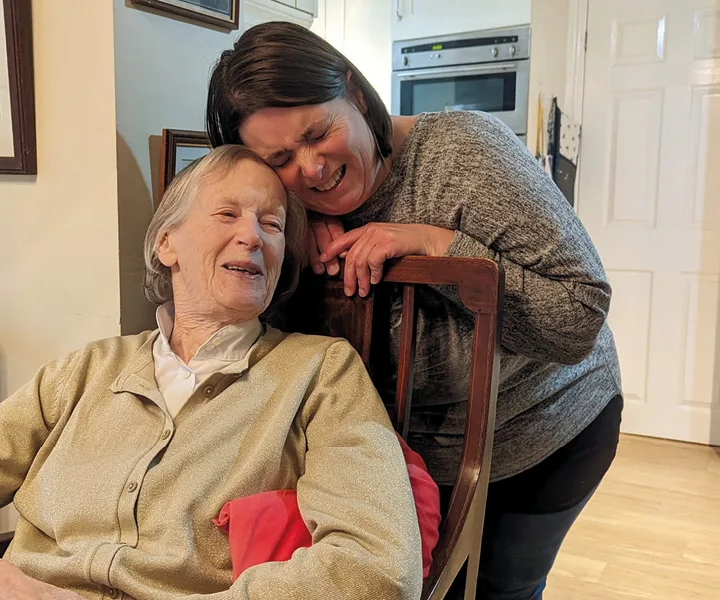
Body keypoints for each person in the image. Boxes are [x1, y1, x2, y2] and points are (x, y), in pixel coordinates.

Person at [0, 146, 424, 600]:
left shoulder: (320, 373)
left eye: (272, 226)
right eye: (227, 213)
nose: (253, 235)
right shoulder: (85, 371)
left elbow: (375, 566)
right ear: (166, 243)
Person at [206, 22, 623, 600]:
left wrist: (437, 244)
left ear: (354, 92)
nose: (312, 169)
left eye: (318, 133)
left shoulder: (464, 155)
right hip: (399, 458)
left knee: (503, 587)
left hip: (542, 427)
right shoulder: (281, 211)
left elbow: (577, 315)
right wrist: (288, 228)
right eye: (279, 159)